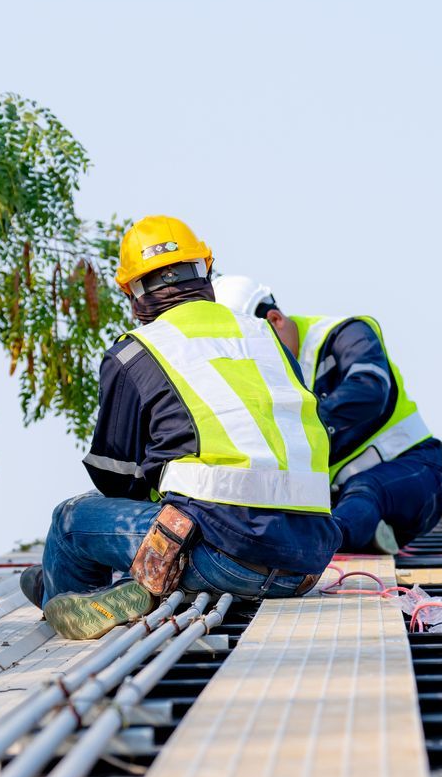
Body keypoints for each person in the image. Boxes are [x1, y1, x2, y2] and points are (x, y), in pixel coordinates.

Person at [27, 217, 339, 639]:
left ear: (133, 295)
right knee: (201, 518)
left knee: (68, 523)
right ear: (206, 272)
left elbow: (115, 479)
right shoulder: (267, 338)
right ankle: (138, 589)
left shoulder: (136, 352)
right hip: (308, 562)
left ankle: (83, 601)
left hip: (219, 557)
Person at [213, 276, 442, 555]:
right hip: (343, 497)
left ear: (275, 320)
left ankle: (321, 543)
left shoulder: (347, 334)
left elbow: (369, 389)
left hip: (416, 473)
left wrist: (301, 427)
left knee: (365, 490)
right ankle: (363, 533)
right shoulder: (263, 374)